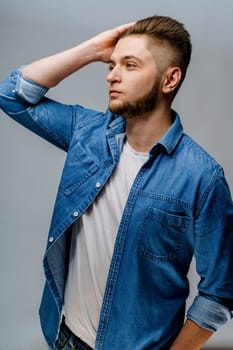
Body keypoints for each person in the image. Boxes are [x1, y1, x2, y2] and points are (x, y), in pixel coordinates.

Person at [0, 14, 233, 350]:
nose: (112, 75)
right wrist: (93, 49)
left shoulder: (203, 178)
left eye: (130, 65)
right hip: (64, 336)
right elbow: (11, 95)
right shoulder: (86, 133)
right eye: (111, 65)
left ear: (170, 80)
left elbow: (220, 291)